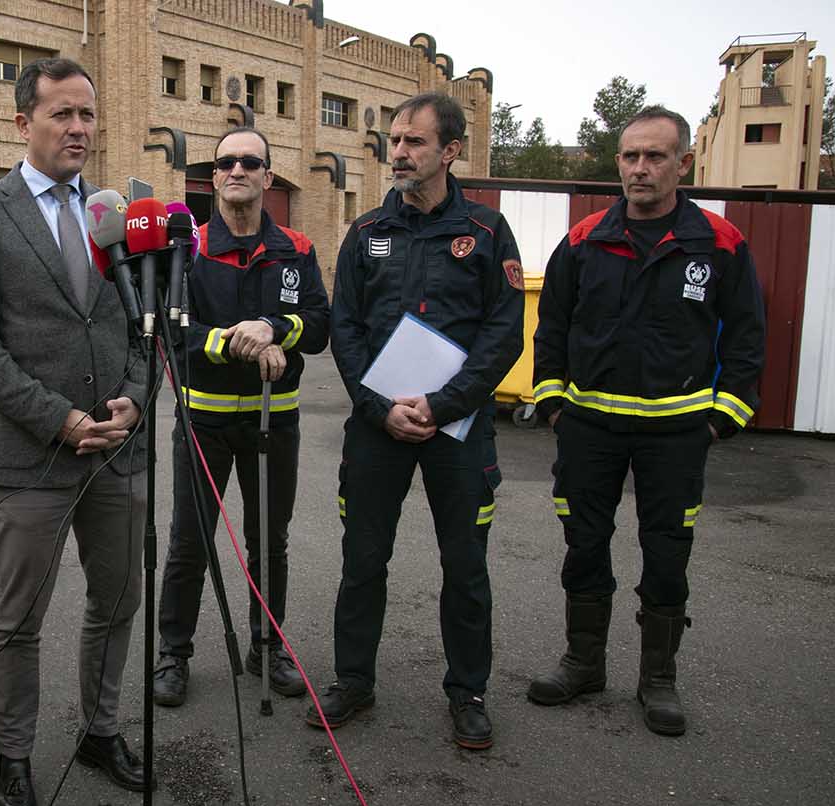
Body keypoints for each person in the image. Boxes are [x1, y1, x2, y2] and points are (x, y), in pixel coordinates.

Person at [0, 57, 150, 806]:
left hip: (118, 451)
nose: (78, 128)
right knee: (18, 618)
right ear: (21, 123)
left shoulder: (112, 213)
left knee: (116, 602)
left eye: (87, 115)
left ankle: (99, 730)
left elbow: (141, 323)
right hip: (34, 457)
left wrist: (135, 398)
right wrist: (59, 418)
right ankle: (14, 753)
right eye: (61, 114)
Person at [527, 106, 765, 736]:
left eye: (655, 156)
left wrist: (720, 421)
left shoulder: (719, 244)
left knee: (666, 556)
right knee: (584, 547)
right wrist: (554, 406)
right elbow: (550, 328)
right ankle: (583, 663)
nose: (640, 168)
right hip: (590, 433)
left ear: (682, 164)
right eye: (630, 156)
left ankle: (658, 680)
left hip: (677, 437)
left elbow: (746, 341)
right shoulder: (582, 241)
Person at [310, 93, 524, 750]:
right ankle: (353, 680)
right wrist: (381, 407)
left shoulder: (487, 232)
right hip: (376, 430)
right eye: (393, 141)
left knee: (464, 565)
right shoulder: (366, 231)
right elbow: (343, 328)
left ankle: (468, 692)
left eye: (413, 142)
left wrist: (442, 403)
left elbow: (504, 332)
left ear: (450, 150)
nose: (397, 152)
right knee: (362, 560)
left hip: (457, 432)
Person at [152, 127, 330, 707]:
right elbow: (174, 333)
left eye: (249, 162)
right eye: (225, 162)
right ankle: (172, 654)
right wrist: (235, 343)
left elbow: (320, 325)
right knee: (188, 543)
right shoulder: (190, 248)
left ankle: (267, 647)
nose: (236, 170)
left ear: (267, 177)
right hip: (203, 424)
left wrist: (277, 329)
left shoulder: (296, 250)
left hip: (274, 423)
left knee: (269, 542)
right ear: (213, 177)